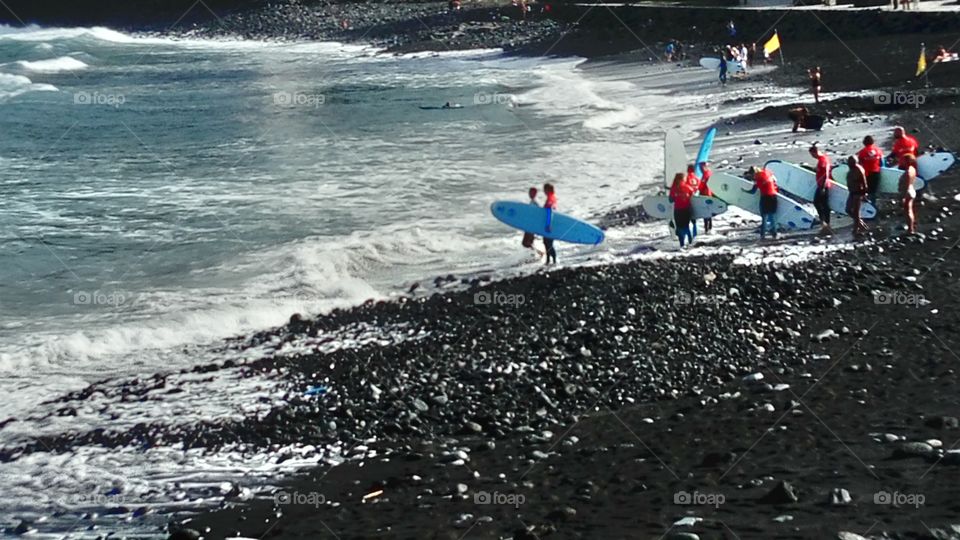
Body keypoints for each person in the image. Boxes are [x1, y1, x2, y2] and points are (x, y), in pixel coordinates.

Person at [744, 166, 779, 239]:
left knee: (764, 217)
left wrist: (744, 191)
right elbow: (775, 181)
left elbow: (752, 191)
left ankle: (762, 235)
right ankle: (774, 234)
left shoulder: (758, 178)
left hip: (765, 198)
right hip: (774, 197)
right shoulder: (767, 173)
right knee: (772, 217)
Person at [810, 144, 833, 234]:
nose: (812, 157)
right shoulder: (821, 159)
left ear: (815, 152)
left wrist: (822, 187)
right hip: (822, 185)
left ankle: (825, 222)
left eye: (812, 155)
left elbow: (826, 174)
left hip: (824, 185)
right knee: (823, 203)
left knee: (819, 202)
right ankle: (825, 222)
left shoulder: (823, 160)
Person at [669, 172, 696, 247]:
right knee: (686, 225)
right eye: (685, 178)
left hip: (677, 210)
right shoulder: (688, 187)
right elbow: (693, 195)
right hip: (687, 210)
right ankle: (689, 238)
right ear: (682, 179)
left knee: (679, 227)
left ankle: (682, 244)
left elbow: (670, 200)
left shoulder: (673, 188)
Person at [856, 135, 884, 205]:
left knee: (866, 191)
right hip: (876, 173)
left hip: (866, 174)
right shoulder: (878, 150)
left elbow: (859, 164)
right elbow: (882, 163)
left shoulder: (862, 152)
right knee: (874, 191)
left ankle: (868, 207)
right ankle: (873, 205)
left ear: (864, 142)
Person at [845, 156, 868, 236]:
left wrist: (864, 194)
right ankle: (860, 224)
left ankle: (856, 229)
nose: (849, 164)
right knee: (848, 210)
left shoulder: (859, 170)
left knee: (856, 212)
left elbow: (864, 183)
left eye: (851, 162)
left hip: (858, 193)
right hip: (852, 192)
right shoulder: (851, 169)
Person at [521, 187, 544, 258]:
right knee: (529, 242)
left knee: (525, 243)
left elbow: (539, 214)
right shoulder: (532, 202)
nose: (529, 194)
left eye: (531, 192)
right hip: (530, 225)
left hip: (531, 226)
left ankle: (540, 253)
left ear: (535, 193)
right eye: (529, 192)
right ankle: (535, 255)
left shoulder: (535, 202)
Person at [899, 154, 918, 234]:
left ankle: (910, 229)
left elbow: (906, 184)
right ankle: (911, 227)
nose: (902, 161)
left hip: (908, 192)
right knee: (909, 210)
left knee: (908, 211)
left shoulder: (908, 172)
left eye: (903, 160)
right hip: (911, 190)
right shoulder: (913, 169)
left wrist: (903, 196)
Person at [542, 183, 558, 264]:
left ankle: (553, 260)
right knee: (547, 242)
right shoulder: (553, 197)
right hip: (551, 223)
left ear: (547, 190)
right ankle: (548, 260)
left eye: (544, 189)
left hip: (549, 224)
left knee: (548, 243)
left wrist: (548, 224)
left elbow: (549, 211)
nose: (543, 191)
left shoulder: (550, 198)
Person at [698, 161, 714, 233]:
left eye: (701, 167)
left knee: (705, 211)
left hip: (705, 194)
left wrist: (698, 188)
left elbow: (702, 186)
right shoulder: (710, 173)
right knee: (709, 211)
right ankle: (710, 227)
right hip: (710, 193)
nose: (700, 169)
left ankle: (707, 228)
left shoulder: (705, 174)